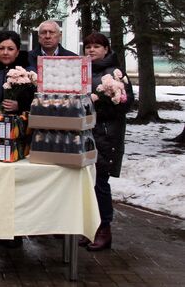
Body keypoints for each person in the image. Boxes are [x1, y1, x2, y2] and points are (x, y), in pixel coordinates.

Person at [80, 32, 134, 251]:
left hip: (104, 135)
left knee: (100, 183)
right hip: (84, 133)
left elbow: (126, 104)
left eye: (96, 46)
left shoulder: (115, 73)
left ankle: (104, 229)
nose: (91, 50)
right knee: (85, 183)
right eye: (88, 46)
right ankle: (89, 227)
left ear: (106, 49)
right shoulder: (82, 71)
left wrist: (100, 104)